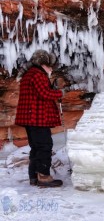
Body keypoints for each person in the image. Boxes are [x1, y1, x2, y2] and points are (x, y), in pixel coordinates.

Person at [15, 49, 64, 187]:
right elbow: (45, 93)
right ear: (43, 63)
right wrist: (60, 93)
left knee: (36, 147)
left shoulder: (29, 74)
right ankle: (43, 176)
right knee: (44, 146)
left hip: (30, 117)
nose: (51, 68)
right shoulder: (37, 74)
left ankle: (34, 177)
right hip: (36, 117)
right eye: (50, 65)